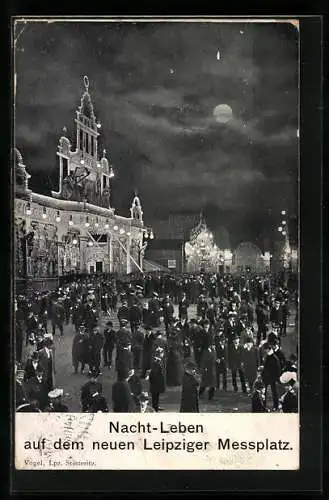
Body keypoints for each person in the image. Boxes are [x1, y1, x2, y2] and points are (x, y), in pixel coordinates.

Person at [261, 342, 281, 411]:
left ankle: (276, 405)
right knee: (265, 391)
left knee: (274, 392)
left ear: (268, 349)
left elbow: (278, 370)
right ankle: (264, 405)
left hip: (272, 378)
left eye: (265, 349)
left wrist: (276, 378)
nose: (264, 351)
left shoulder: (274, 358)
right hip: (267, 377)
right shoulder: (268, 356)